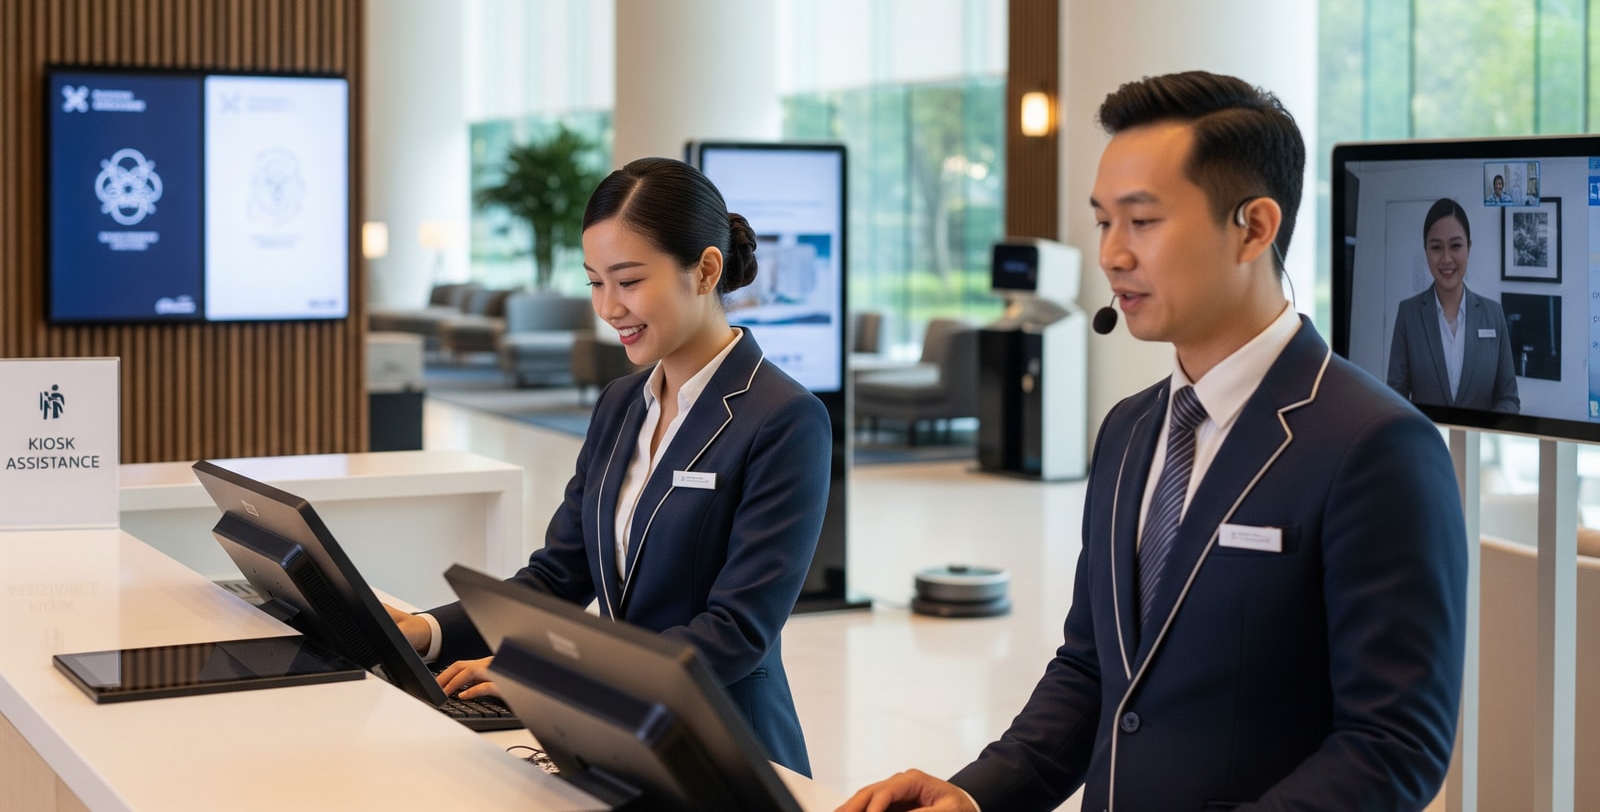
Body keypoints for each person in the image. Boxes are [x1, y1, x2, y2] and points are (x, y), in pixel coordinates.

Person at [837, 71, 1466, 812]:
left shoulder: (1375, 444)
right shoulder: (1131, 429)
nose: (1110, 255)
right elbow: (1092, 670)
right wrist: (975, 795)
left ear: (1255, 228)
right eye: (1103, 221)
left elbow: (1392, 747)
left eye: (1142, 221)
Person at [387, 157, 831, 775]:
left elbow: (735, 631)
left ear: (705, 270)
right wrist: (426, 631)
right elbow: (561, 575)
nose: (609, 307)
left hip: (724, 751)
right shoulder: (622, 404)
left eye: (628, 281)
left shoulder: (783, 418)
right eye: (596, 282)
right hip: (613, 739)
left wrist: (552, 673)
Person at [1386, 197, 1520, 414]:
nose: (1446, 259)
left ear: (1468, 247)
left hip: (1480, 445)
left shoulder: (1493, 314)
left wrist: (1483, 430)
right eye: (1436, 247)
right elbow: (1395, 398)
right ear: (1426, 251)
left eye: (1456, 246)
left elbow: (1509, 398)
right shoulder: (1408, 314)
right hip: (1427, 444)